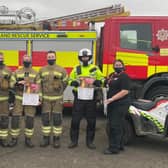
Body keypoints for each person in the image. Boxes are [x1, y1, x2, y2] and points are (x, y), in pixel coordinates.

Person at [68, 48, 104, 149]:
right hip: (79, 98)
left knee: (91, 121)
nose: (85, 58)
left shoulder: (95, 68)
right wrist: (73, 83)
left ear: (90, 57)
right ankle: (73, 141)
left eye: (86, 57)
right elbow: (69, 80)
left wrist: (98, 82)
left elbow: (102, 80)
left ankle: (90, 142)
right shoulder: (76, 68)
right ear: (80, 58)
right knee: (75, 121)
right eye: (83, 57)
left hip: (91, 98)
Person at [9, 55, 41, 148]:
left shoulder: (35, 73)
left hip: (30, 98)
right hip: (19, 98)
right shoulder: (17, 72)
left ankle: (28, 139)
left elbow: (39, 86)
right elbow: (11, 83)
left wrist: (39, 98)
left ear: (31, 61)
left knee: (30, 119)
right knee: (15, 119)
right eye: (25, 60)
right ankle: (14, 138)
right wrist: (17, 83)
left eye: (28, 60)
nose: (27, 61)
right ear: (22, 61)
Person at [39, 50, 68, 148]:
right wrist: (40, 95)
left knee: (57, 119)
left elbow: (65, 82)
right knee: (45, 119)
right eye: (49, 57)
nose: (51, 58)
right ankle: (45, 138)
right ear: (46, 58)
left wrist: (60, 90)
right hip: (46, 99)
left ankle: (56, 139)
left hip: (57, 99)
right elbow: (39, 84)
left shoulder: (61, 70)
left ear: (55, 57)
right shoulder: (42, 70)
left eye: (52, 57)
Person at [103, 59, 131, 154]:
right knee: (119, 125)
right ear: (113, 66)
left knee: (114, 126)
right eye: (116, 65)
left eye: (119, 65)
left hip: (120, 104)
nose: (118, 66)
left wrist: (112, 98)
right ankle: (120, 145)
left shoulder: (125, 77)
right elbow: (106, 83)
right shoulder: (112, 75)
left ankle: (113, 148)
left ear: (123, 66)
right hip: (112, 104)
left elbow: (125, 91)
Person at [0, 52, 12, 147]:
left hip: (4, 99)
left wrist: (9, 84)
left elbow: (12, 84)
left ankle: (3, 139)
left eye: (1, 58)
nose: (0, 60)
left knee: (4, 119)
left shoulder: (8, 70)